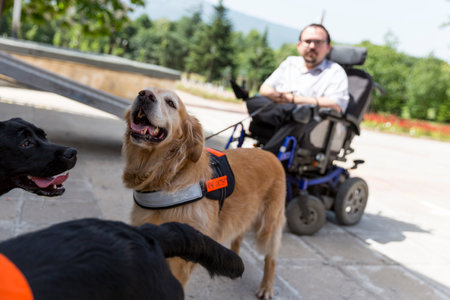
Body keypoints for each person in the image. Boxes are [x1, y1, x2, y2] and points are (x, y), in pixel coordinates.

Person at [245, 23, 349, 154]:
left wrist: (295, 100)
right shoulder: (290, 63)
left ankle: (264, 159)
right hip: (281, 108)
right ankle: (290, 112)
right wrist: (278, 97)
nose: (312, 46)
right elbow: (265, 88)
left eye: (318, 42)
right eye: (308, 41)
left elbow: (336, 105)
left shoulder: (335, 72)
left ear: (328, 47)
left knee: (301, 116)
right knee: (254, 101)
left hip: (311, 122)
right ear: (299, 45)